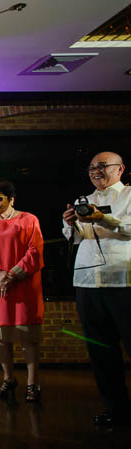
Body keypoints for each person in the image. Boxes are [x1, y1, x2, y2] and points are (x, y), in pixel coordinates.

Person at [62, 151, 131, 427]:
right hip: (88, 282)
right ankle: (116, 410)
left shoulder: (128, 196)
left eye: (102, 166)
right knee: (101, 352)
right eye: (92, 168)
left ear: (120, 168)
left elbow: (127, 229)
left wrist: (102, 218)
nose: (96, 171)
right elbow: (77, 238)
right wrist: (70, 224)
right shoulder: (85, 201)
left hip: (123, 280)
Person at [0, 180, 44, 402]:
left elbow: (35, 252)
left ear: (11, 199)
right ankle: (8, 378)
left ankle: (33, 383)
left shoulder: (28, 220)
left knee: (28, 337)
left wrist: (11, 275)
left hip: (23, 285)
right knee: (0, 339)